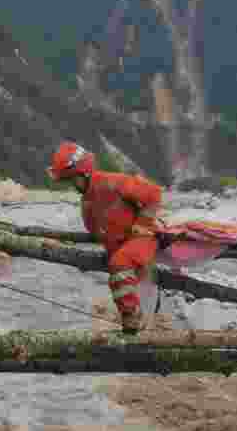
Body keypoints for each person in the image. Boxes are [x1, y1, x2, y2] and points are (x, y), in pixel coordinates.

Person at [47, 141, 162, 334]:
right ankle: (136, 324)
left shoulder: (114, 181)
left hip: (142, 241)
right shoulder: (87, 203)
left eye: (72, 180)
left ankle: (131, 319)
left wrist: (142, 223)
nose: (72, 186)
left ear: (84, 173)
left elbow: (154, 193)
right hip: (122, 250)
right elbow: (98, 232)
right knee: (119, 264)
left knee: (119, 262)